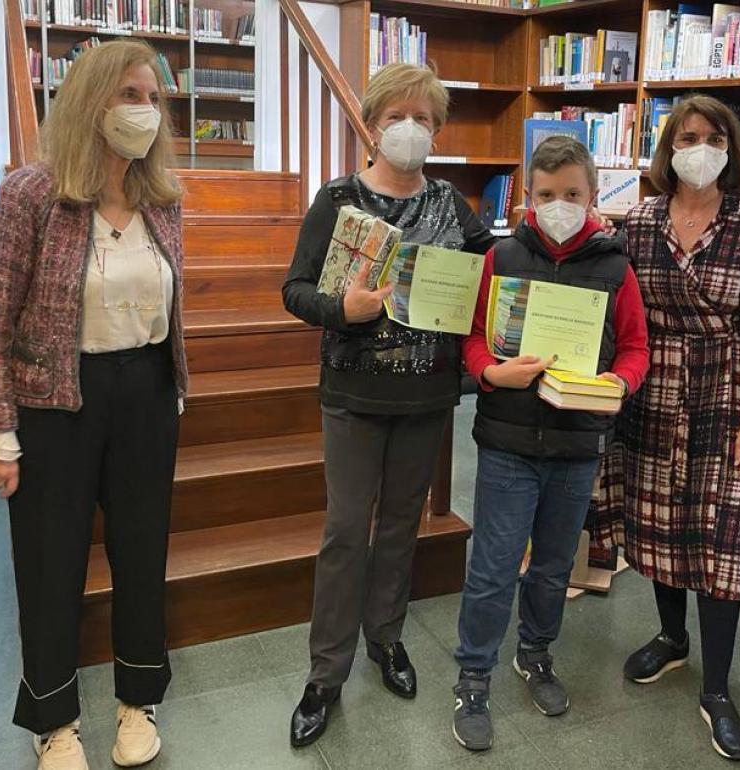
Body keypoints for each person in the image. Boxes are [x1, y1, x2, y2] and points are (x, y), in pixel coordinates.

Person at [0, 40, 188, 770]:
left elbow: (165, 308)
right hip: (55, 402)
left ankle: (138, 701)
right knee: (49, 563)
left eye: (154, 97)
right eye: (130, 94)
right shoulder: (33, 194)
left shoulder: (164, 199)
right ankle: (54, 722)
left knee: (142, 552)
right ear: (92, 101)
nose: (145, 111)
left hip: (146, 395)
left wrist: (170, 390)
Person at [281, 62, 499, 748]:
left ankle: (387, 640)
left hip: (428, 394)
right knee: (347, 529)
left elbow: (492, 271)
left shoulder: (450, 204)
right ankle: (325, 674)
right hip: (352, 393)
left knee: (402, 524)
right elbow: (294, 291)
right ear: (372, 124)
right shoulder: (337, 199)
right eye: (399, 116)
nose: (412, 128)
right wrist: (339, 308)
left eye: (426, 117)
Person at [594, 94, 740, 762]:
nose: (699, 147)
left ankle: (717, 689)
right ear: (667, 148)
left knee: (722, 540)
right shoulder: (642, 219)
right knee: (660, 525)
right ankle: (673, 639)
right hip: (654, 392)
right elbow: (618, 306)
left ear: (730, 147)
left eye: (712, 136)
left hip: (729, 396)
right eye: (687, 136)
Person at [451, 136, 649, 752]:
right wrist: (489, 371)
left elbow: (637, 347)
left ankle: (534, 654)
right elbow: (476, 336)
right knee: (492, 567)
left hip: (576, 443)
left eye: (572, 194)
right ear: (527, 196)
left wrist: (620, 381)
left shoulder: (616, 268)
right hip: (508, 440)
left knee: (556, 565)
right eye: (545, 195)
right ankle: (474, 675)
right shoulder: (502, 256)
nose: (558, 205)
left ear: (592, 197)